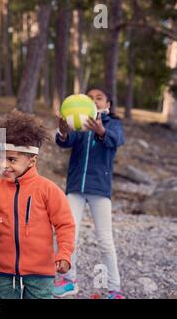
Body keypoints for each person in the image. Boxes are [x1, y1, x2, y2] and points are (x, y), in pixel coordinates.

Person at [0, 111, 75, 299]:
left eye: (11, 159)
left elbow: (65, 224)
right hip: (4, 272)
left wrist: (64, 253)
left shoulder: (48, 189)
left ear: (32, 160)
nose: (4, 165)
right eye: (1, 159)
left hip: (41, 273)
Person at [53, 87, 125, 299]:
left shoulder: (113, 125)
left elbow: (116, 140)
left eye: (99, 98)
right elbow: (64, 142)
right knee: (67, 234)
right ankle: (68, 280)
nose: (94, 101)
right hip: (75, 188)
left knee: (105, 240)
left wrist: (101, 131)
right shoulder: (79, 124)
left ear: (108, 105)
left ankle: (114, 289)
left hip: (100, 189)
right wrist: (63, 131)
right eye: (90, 98)